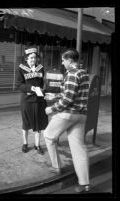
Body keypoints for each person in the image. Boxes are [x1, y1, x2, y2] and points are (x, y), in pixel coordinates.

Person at [43, 48, 90, 193]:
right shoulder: (84, 73)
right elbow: (71, 95)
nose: (62, 63)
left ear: (70, 60)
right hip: (81, 115)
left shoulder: (71, 74)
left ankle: (56, 167)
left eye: (63, 60)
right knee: (79, 148)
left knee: (48, 136)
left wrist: (52, 108)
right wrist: (54, 97)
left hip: (68, 114)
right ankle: (85, 184)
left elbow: (68, 99)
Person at [17, 47, 48, 155]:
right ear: (26, 58)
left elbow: (43, 82)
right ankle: (25, 144)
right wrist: (30, 88)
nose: (33, 60)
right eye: (31, 58)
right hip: (27, 100)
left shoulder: (40, 68)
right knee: (26, 123)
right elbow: (19, 85)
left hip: (39, 99)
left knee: (38, 123)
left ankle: (37, 145)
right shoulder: (21, 68)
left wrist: (44, 89)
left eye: (35, 58)